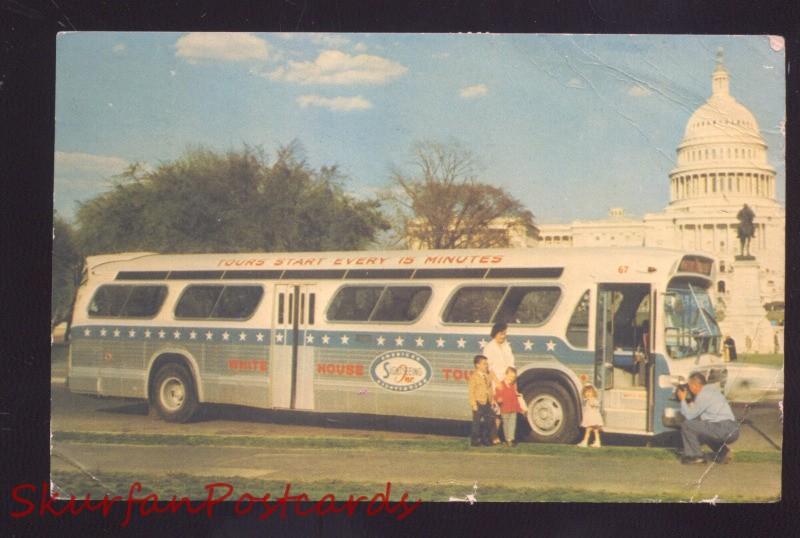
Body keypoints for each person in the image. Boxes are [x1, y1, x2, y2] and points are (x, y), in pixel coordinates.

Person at [677, 372, 739, 464]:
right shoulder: (712, 390)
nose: (689, 389)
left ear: (695, 385)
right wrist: (689, 400)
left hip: (722, 427)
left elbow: (689, 416)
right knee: (703, 432)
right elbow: (697, 412)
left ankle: (695, 456)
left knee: (686, 424)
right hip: (732, 429)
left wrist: (682, 400)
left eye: (689, 386)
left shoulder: (703, 394)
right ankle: (723, 453)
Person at [483, 321, 515, 443]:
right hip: (495, 383)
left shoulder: (507, 346)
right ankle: (493, 436)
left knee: (505, 411)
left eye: (505, 334)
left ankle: (505, 437)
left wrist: (510, 379)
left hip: (508, 381)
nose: (504, 336)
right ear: (495, 333)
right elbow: (488, 368)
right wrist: (497, 382)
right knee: (495, 411)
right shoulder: (489, 347)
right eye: (502, 334)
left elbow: (511, 363)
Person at [494, 367, 525, 447]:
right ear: (506, 375)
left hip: (513, 409)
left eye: (513, 377)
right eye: (510, 376)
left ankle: (510, 440)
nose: (512, 379)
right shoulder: (501, 385)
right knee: (506, 425)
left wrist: (520, 409)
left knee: (512, 425)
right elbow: (496, 395)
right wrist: (498, 399)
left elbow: (515, 400)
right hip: (505, 409)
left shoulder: (513, 387)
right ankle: (507, 439)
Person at [468, 355, 495, 447]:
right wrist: (473, 404)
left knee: (489, 421)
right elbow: (471, 391)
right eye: (484, 364)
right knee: (477, 423)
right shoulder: (474, 377)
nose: (486, 366)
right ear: (477, 365)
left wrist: (492, 400)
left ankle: (486, 439)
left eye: (486, 364)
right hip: (479, 402)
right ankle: (474, 440)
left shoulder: (487, 376)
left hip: (487, 402)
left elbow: (490, 389)